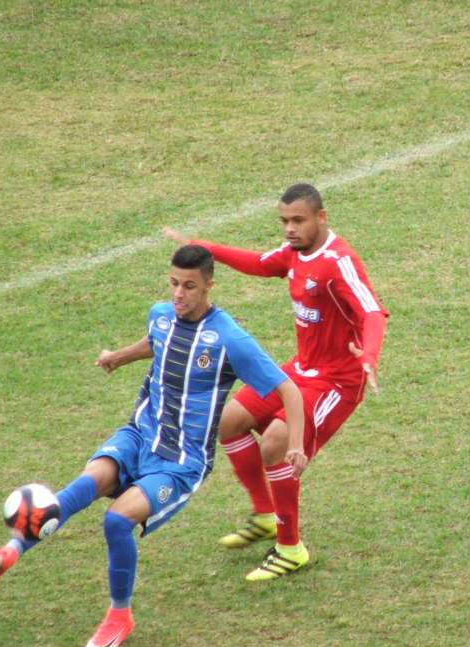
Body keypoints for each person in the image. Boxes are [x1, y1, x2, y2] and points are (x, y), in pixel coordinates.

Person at [0, 245, 308, 647]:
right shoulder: (162, 314)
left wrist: (295, 445)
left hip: (180, 462)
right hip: (139, 435)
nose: (178, 294)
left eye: (189, 286)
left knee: (117, 522)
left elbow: (288, 390)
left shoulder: (229, 339)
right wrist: (118, 357)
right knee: (85, 484)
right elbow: (156, 341)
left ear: (208, 286)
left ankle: (120, 615)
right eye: (173, 283)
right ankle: (9, 553)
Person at [164, 183, 387, 581]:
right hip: (301, 368)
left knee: (276, 443)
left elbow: (372, 311)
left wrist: (369, 356)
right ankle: (266, 515)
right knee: (229, 420)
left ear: (321, 217)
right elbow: (259, 263)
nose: (289, 229)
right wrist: (205, 248)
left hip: (337, 380)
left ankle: (290, 547)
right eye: (284, 221)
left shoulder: (338, 261)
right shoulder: (295, 254)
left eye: (298, 220)